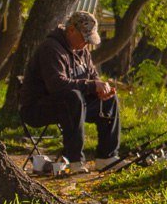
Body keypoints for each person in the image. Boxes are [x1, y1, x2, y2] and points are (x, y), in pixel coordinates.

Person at [20, 11, 120, 174]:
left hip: (74, 105)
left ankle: (106, 156)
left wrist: (101, 90)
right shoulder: (51, 48)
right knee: (73, 97)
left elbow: (93, 77)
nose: (86, 44)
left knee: (109, 100)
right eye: (84, 39)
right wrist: (91, 86)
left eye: (89, 41)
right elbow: (57, 85)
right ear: (71, 30)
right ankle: (74, 160)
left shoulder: (82, 51)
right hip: (37, 107)